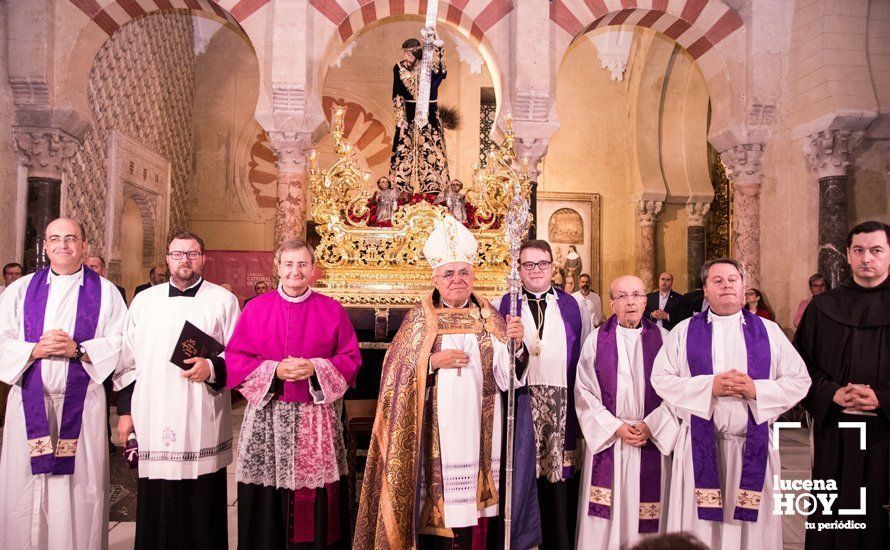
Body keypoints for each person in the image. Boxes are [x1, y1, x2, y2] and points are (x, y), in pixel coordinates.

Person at [355, 215, 538, 549]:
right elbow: (392, 370)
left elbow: (506, 376)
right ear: (435, 278)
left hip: (481, 434)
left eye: (464, 272)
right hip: (433, 435)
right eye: (449, 273)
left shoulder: (490, 317)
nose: (458, 279)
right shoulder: (419, 319)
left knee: (474, 522)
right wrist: (428, 362)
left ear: (473, 275)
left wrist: (515, 347)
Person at [650, 258, 811, 549]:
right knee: (700, 528)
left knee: (751, 531)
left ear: (743, 286)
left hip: (753, 445)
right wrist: (708, 387)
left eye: (732, 280)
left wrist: (756, 390)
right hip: (700, 445)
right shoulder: (684, 331)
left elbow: (800, 381)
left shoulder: (769, 331)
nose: (726, 286)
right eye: (718, 281)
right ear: (705, 289)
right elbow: (661, 379)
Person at [0, 218, 127, 550]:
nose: (63, 245)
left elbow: (122, 342)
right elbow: (1, 339)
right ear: (45, 246)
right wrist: (34, 350)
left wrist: (79, 350)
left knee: (79, 485)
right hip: (29, 400)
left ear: (84, 245)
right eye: (54, 238)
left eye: (71, 238)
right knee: (24, 483)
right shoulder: (21, 289)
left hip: (82, 404)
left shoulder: (107, 292)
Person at [227, 239, 361, 549]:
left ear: (313, 270)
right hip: (268, 416)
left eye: (302, 264)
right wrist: (273, 371)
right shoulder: (256, 308)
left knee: (314, 495)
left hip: (314, 417)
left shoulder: (332, 309)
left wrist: (315, 368)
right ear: (277, 268)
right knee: (267, 491)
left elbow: (351, 359)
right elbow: (236, 358)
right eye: (288, 264)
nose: (295, 271)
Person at [114, 230, 240, 550]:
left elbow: (238, 354)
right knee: (156, 500)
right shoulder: (145, 301)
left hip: (203, 412)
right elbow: (126, 360)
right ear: (168, 259)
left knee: (202, 499)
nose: (185, 260)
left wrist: (211, 367)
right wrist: (125, 411)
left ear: (203, 259)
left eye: (193, 254)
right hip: (153, 414)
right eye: (178, 254)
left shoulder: (223, 300)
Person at [793, 220, 890, 550]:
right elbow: (798, 369)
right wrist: (831, 392)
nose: (867, 258)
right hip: (837, 433)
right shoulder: (822, 308)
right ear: (847, 256)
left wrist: (881, 398)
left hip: (886, 434)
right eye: (859, 250)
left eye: (876, 250)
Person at [491, 239, 591, 549]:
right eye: (528, 264)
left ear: (553, 267)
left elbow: (585, 355)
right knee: (522, 478)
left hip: (562, 406)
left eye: (542, 264)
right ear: (518, 269)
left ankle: (558, 542)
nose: (536, 270)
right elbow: (495, 360)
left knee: (558, 482)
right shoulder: (502, 303)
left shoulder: (575, 305)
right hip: (521, 404)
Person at [575, 275, 677, 549]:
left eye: (636, 295)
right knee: (606, 514)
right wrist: (615, 427)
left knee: (648, 513)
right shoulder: (596, 341)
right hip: (611, 440)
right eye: (622, 296)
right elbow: (584, 392)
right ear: (611, 303)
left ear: (646, 301)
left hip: (649, 438)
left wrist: (652, 425)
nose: (630, 301)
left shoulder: (665, 340)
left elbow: (675, 392)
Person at [389, 37, 450, 194]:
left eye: (409, 55)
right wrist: (400, 118)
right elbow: (397, 94)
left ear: (417, 53)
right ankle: (402, 190)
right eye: (405, 54)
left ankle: (433, 190)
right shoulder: (399, 68)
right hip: (408, 114)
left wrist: (440, 48)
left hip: (429, 113)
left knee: (431, 150)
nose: (406, 58)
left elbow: (442, 72)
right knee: (403, 150)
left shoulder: (429, 67)